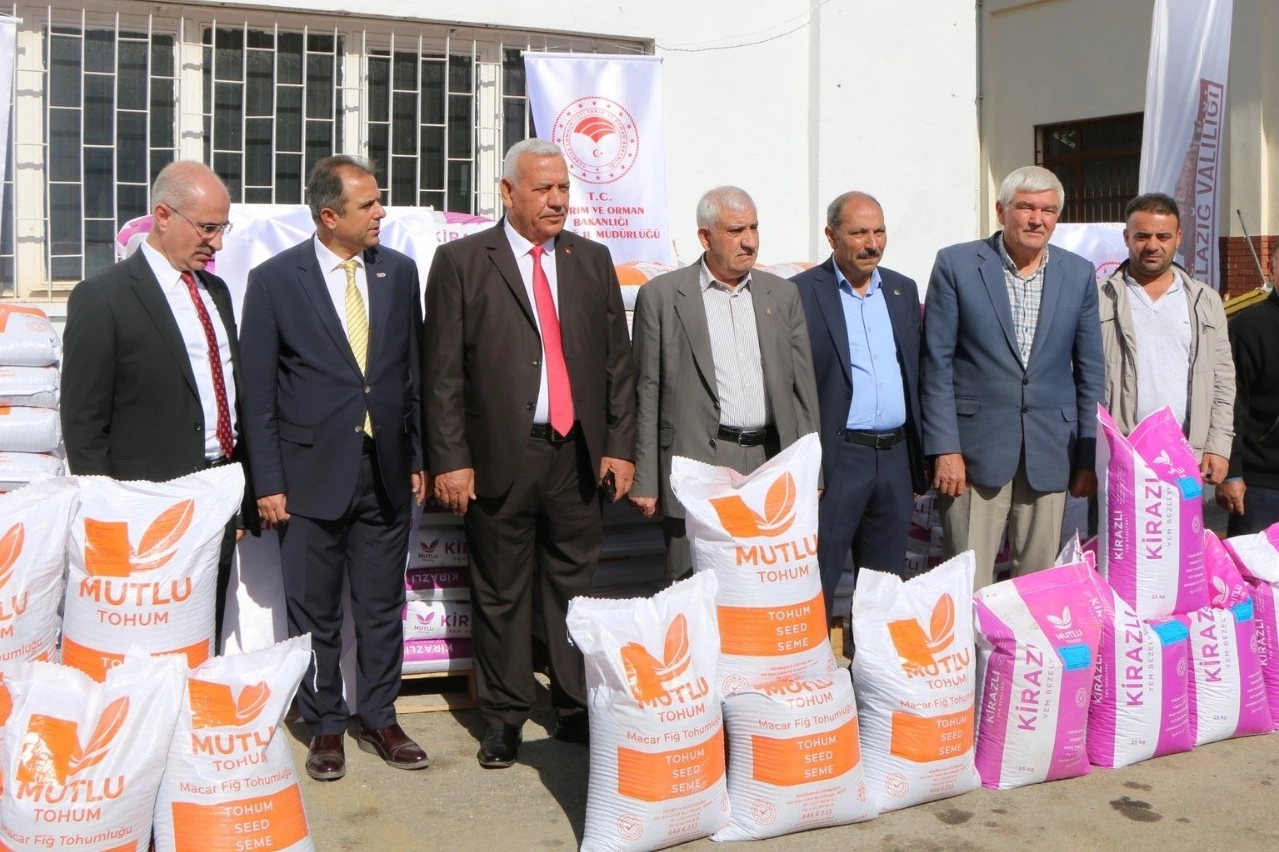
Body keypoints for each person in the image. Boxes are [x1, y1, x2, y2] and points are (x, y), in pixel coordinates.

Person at [422, 139, 635, 769]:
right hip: (499, 458)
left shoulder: (591, 259)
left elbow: (617, 366)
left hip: (577, 457)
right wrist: (451, 459)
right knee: (501, 593)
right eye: (543, 189)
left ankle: (574, 704)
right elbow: (441, 374)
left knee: (574, 590)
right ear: (508, 191)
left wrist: (619, 446)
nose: (557, 200)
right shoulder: (462, 261)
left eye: (563, 188)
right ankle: (505, 716)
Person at [239, 155, 429, 782]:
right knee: (314, 612)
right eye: (368, 204)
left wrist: (419, 456)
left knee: (380, 607)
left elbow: (412, 373)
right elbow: (257, 394)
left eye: (379, 201)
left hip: (385, 471)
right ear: (328, 215)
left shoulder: (398, 272)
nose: (381, 213)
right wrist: (268, 482)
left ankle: (380, 716)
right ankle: (325, 723)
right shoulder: (275, 281)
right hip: (308, 477)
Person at [60, 160, 257, 653]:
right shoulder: (102, 298)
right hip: (143, 512)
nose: (217, 243)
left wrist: (238, 502)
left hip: (216, 498)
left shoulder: (216, 292)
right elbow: (84, 422)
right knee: (141, 649)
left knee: (202, 638)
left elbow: (230, 393)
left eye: (223, 228)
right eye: (207, 228)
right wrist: (108, 517)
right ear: (163, 216)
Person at [921, 165, 1104, 589]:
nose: (1037, 219)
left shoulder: (1078, 273)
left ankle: (1024, 640)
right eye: (1025, 207)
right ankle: (969, 639)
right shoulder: (957, 264)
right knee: (968, 581)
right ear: (1001, 210)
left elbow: (1091, 370)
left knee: (1037, 585)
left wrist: (1086, 456)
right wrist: (945, 448)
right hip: (973, 454)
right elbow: (935, 364)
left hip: (1051, 450)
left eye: (1048, 210)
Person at [630, 186, 820, 584]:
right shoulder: (662, 297)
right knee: (694, 583)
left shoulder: (782, 295)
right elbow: (647, 393)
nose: (749, 241)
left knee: (762, 582)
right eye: (736, 231)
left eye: (754, 227)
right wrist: (646, 480)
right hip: (697, 463)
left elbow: (803, 391)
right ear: (705, 237)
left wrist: (811, 473)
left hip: (769, 461)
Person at [791, 192, 925, 621]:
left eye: (879, 231)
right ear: (831, 236)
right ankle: (815, 658)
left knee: (883, 583)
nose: (872, 244)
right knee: (819, 574)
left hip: (895, 458)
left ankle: (871, 658)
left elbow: (916, 372)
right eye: (859, 233)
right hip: (838, 457)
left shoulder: (902, 290)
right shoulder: (801, 293)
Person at [1097, 192, 1234, 481]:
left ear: (1178, 238)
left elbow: (1222, 379)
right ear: (1127, 237)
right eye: (1142, 236)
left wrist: (1218, 445)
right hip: (1118, 455)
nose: (1152, 245)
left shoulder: (1205, 300)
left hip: (1186, 456)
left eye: (1163, 236)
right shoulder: (1099, 297)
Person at [1218, 241, 1279, 534]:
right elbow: (1231, 404)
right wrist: (1232, 473)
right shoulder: (1247, 328)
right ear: (1271, 269)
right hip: (1262, 485)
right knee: (1254, 564)